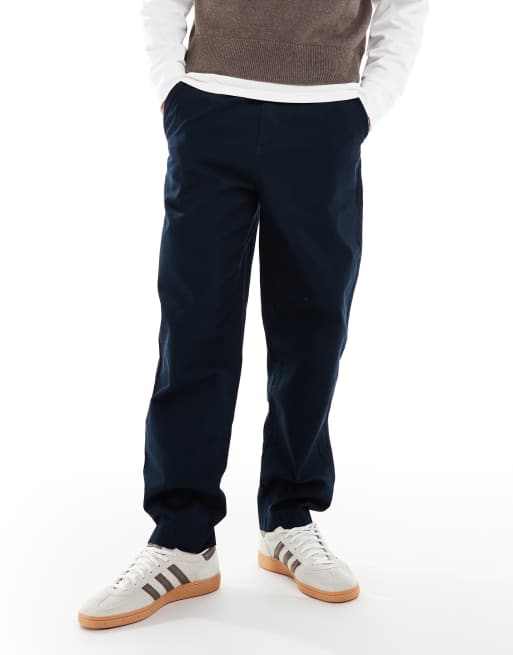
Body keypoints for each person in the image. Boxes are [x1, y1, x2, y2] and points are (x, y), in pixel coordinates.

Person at [78, 0, 428, 629]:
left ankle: (289, 517)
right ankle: (183, 539)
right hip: (210, 109)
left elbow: (404, 8)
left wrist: (365, 106)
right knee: (194, 327)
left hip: (324, 117)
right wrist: (170, 86)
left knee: (312, 329)